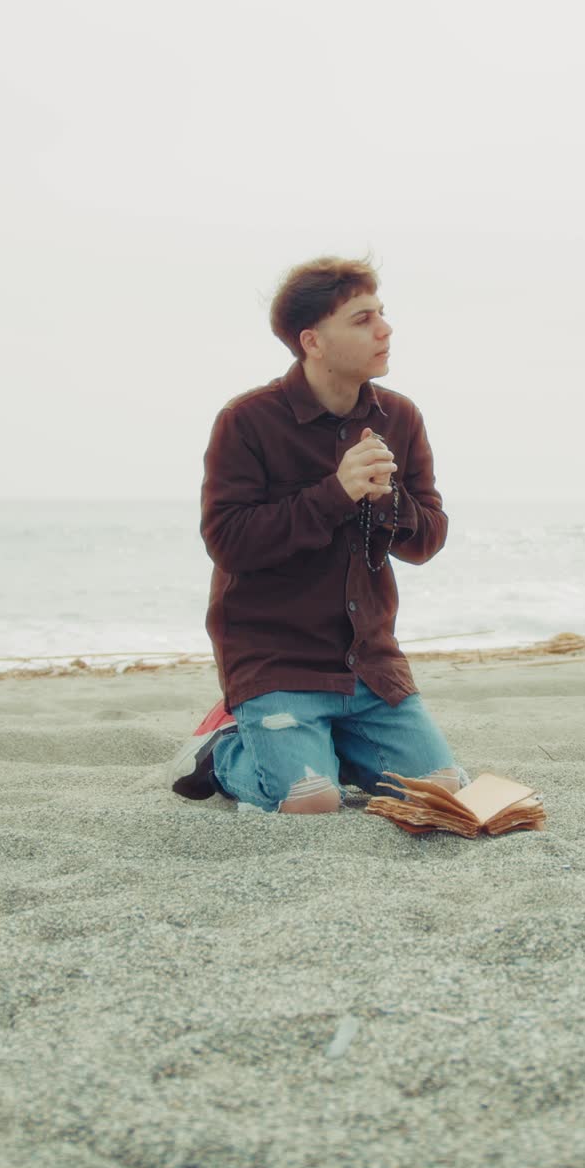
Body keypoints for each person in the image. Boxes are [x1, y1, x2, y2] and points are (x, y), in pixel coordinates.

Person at [170, 255, 468, 813]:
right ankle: (224, 751)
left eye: (381, 314)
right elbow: (228, 541)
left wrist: (389, 498)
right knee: (310, 802)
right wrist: (337, 492)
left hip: (370, 666)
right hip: (276, 660)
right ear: (313, 341)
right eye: (362, 320)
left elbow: (426, 542)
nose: (385, 329)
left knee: (441, 795)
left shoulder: (400, 418)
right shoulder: (247, 420)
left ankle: (330, 748)